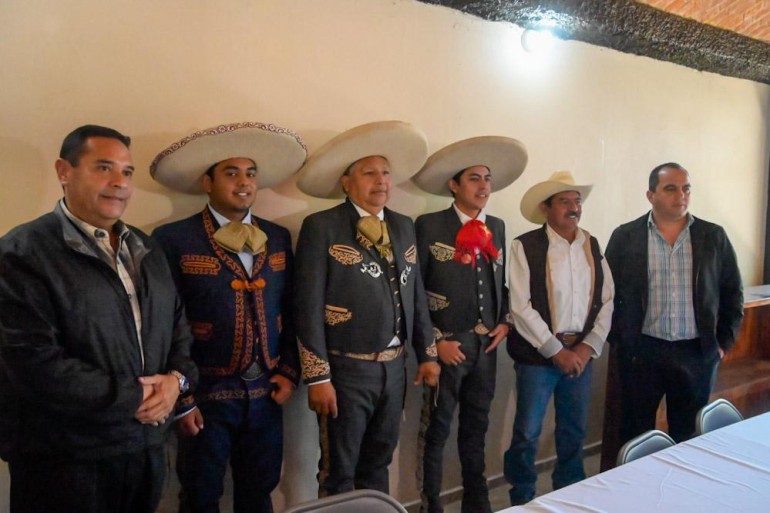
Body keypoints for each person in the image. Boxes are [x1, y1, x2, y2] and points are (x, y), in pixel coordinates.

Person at [0, 125, 197, 513]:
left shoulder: (146, 248)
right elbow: (33, 363)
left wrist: (176, 381)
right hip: (65, 459)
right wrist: (137, 397)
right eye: (103, 168)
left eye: (127, 172)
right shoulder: (22, 253)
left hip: (145, 448)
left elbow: (179, 330)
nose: (119, 183)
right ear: (64, 171)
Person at [150, 122, 307, 513]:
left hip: (266, 391)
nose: (244, 183)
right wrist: (183, 399)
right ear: (208, 182)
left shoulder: (278, 236)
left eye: (250, 174)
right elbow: (164, 324)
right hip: (205, 392)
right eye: (231, 173)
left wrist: (289, 371)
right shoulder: (173, 239)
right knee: (200, 495)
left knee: (260, 492)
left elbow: (292, 307)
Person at [293, 120, 441, 497]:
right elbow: (306, 306)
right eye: (369, 172)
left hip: (395, 368)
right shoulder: (321, 226)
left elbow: (416, 296)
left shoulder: (404, 226)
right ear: (347, 182)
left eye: (386, 173)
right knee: (339, 470)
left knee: (379, 462)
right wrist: (318, 377)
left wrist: (427, 355)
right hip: (346, 370)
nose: (381, 181)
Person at [410, 136, 527, 513]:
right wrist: (434, 343)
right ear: (454, 185)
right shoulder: (429, 225)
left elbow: (501, 283)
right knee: (436, 431)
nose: (483, 186)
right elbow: (414, 292)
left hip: (485, 347)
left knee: (477, 428)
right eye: (474, 178)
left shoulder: (497, 226)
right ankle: (431, 506)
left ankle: (476, 504)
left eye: (487, 179)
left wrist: (504, 322)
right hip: (447, 347)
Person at [601, 162, 743, 467]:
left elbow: (733, 292)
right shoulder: (626, 236)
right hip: (643, 352)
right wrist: (621, 341)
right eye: (671, 189)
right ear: (650, 195)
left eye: (686, 188)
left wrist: (722, 343)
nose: (681, 195)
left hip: (695, 353)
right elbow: (605, 294)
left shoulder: (712, 236)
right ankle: (636, 489)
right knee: (635, 432)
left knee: (689, 436)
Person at [503, 170, 614, 506]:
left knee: (573, 430)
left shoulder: (592, 245)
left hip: (581, 353)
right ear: (546, 208)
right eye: (565, 201)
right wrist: (556, 351)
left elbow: (607, 299)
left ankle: (570, 493)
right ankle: (522, 498)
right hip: (538, 359)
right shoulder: (525, 246)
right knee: (527, 433)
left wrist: (587, 347)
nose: (574, 207)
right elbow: (520, 306)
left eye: (577, 201)